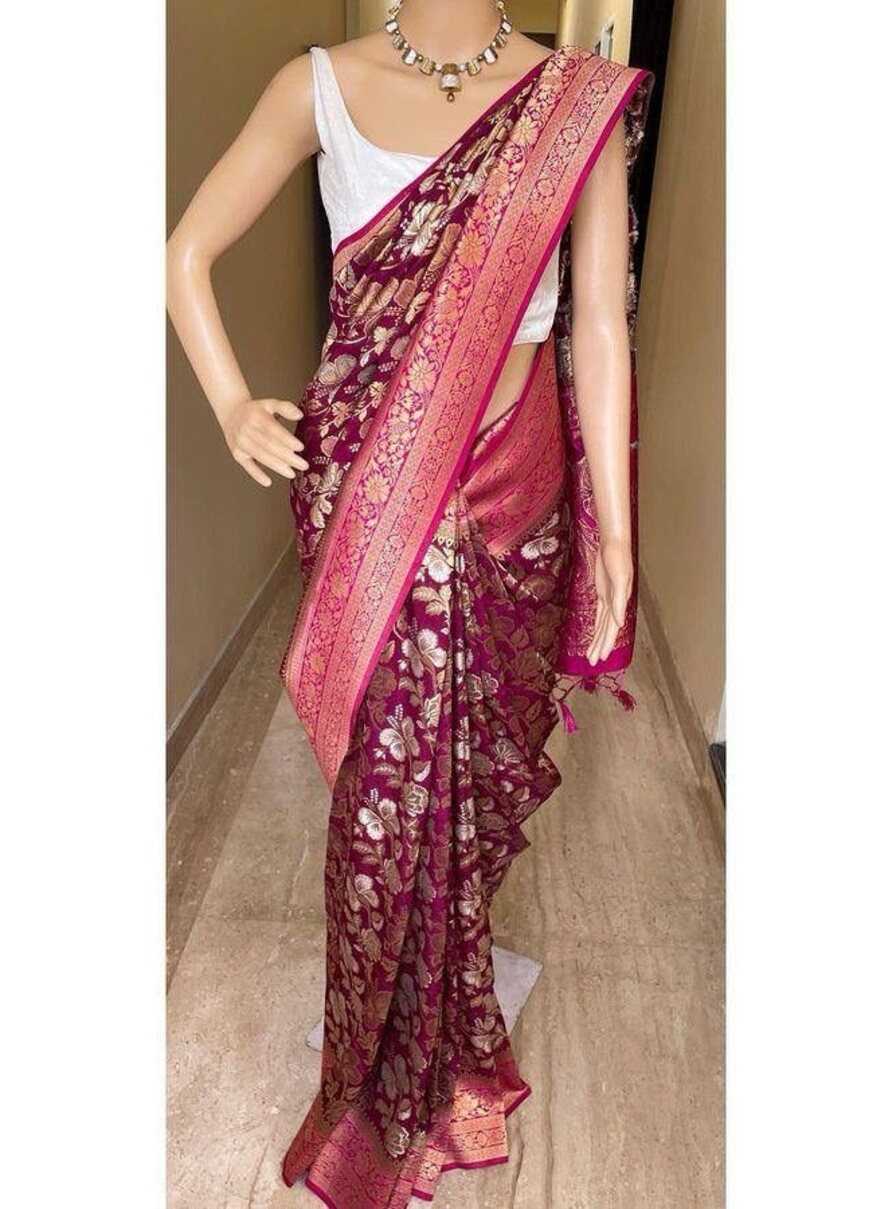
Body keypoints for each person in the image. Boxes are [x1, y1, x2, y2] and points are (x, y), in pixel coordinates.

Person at [167, 2, 653, 1204]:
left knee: (472, 774)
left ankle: (444, 991)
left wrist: (616, 532)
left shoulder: (574, 104)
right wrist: (230, 404)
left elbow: (598, 323)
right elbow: (182, 256)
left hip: (514, 487)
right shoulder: (317, 85)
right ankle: (376, 1067)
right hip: (371, 487)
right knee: (381, 798)